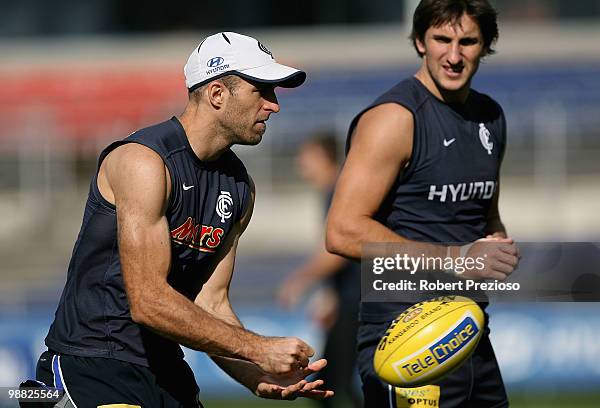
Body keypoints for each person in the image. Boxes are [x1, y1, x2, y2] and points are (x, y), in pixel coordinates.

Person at [32, 32, 333, 407]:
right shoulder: (144, 161)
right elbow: (148, 301)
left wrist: (255, 375)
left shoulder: (241, 188)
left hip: (165, 371)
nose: (274, 106)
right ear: (218, 94)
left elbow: (212, 303)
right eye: (262, 91)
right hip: (91, 366)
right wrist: (257, 348)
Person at [326, 1, 519, 407]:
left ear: (485, 46)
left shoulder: (491, 116)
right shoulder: (394, 118)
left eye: (467, 41)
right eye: (441, 40)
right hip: (404, 337)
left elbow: (486, 213)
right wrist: (457, 259)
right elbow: (342, 231)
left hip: (468, 333)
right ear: (419, 42)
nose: (453, 55)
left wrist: (497, 244)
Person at [277, 133, 362, 408]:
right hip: (351, 298)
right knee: (333, 384)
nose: (301, 163)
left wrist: (299, 281)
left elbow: (338, 249)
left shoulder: (340, 190)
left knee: (330, 386)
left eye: (307, 157)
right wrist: (331, 295)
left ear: (325, 158)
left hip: (360, 301)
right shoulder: (334, 191)